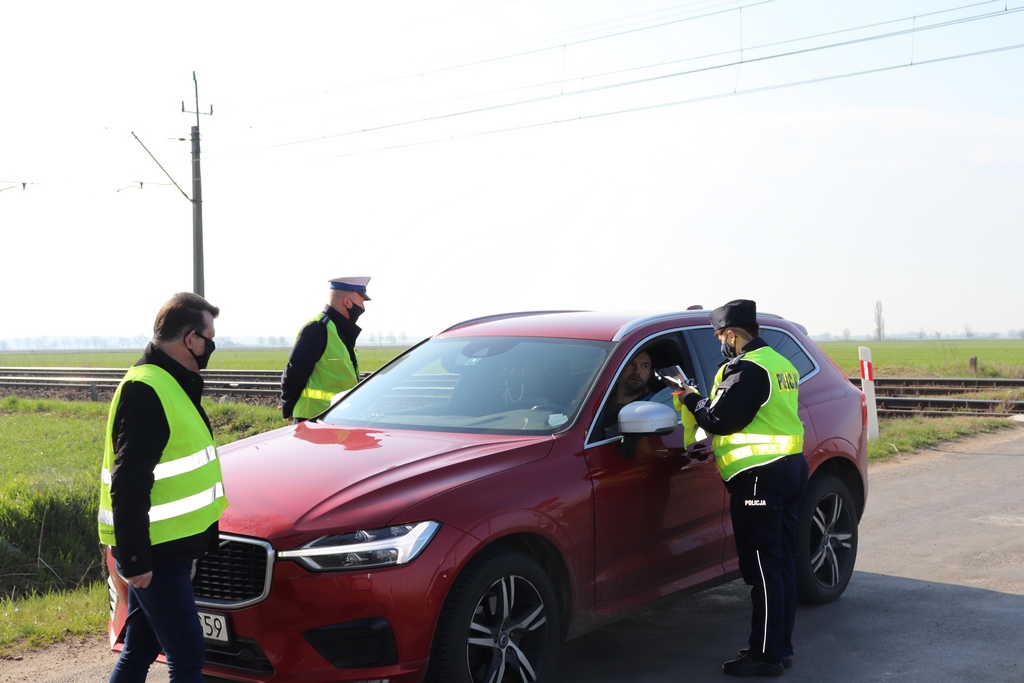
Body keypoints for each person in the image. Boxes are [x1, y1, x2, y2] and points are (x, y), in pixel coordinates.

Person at [98, 292, 228, 683]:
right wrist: (135, 560)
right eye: (210, 336)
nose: (212, 345)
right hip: (156, 554)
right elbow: (129, 481)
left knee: (139, 650)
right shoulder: (149, 389)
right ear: (190, 339)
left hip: (167, 547)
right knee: (188, 655)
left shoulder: (169, 381)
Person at [675, 299, 808, 677]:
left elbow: (719, 419)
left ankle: (765, 656)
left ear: (731, 334)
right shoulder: (780, 363)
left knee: (763, 570)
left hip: (758, 478)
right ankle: (778, 648)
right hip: (790, 469)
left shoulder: (747, 369)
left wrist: (689, 398)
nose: (720, 343)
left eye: (720, 337)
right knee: (779, 566)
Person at [280, 276, 371, 423]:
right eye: (361, 303)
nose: (363, 308)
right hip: (312, 420)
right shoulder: (318, 328)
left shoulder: (340, 330)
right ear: (347, 302)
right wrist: (288, 407)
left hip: (336, 417)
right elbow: (294, 371)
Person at [601, 349, 655, 438]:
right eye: (631, 364)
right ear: (618, 369)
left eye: (644, 366)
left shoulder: (652, 405)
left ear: (650, 374)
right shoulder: (600, 398)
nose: (637, 371)